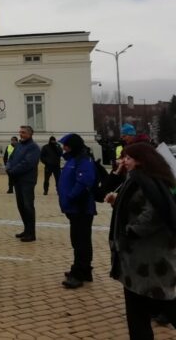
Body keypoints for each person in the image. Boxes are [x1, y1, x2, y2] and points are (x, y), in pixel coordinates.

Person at [106, 142, 176, 339]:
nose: (123, 161)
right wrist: (116, 202)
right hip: (137, 261)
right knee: (136, 309)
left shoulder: (147, 181)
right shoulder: (137, 179)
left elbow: (154, 214)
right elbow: (136, 209)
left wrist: (130, 232)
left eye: (128, 158)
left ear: (142, 161)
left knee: (165, 302)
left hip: (152, 258)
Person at [57, 134, 96, 289]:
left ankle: (79, 273)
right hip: (74, 207)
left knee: (81, 241)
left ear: (72, 146)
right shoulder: (72, 159)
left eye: (66, 145)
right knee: (78, 240)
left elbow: (84, 181)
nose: (63, 147)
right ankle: (84, 269)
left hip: (81, 207)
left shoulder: (83, 160)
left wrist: (71, 196)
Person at [5, 126, 41, 242]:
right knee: (21, 206)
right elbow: (11, 158)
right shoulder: (19, 145)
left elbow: (28, 163)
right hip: (17, 180)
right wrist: (8, 167)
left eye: (24, 132)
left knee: (28, 206)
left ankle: (31, 233)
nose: (21, 134)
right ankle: (26, 229)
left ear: (30, 134)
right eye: (20, 132)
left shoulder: (33, 147)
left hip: (27, 181)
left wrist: (13, 171)